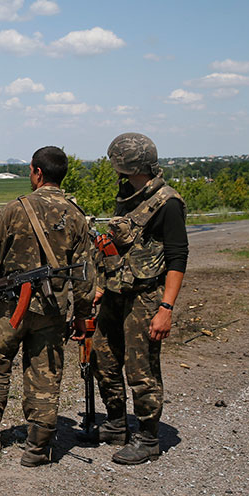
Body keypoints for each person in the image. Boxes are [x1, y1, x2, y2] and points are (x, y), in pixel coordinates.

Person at [0, 146, 96, 467]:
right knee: (44, 376)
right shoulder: (76, 216)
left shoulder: (13, 210)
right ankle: (37, 449)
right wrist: (83, 316)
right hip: (52, 312)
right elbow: (84, 276)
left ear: (36, 172)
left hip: (9, 309)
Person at [82, 132, 188, 465]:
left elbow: (177, 257)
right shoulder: (128, 194)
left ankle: (148, 437)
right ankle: (115, 423)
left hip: (146, 296)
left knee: (141, 368)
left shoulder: (168, 202)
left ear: (132, 165)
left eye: (120, 166)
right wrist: (101, 285)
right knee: (102, 357)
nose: (117, 173)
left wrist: (166, 309)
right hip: (115, 292)